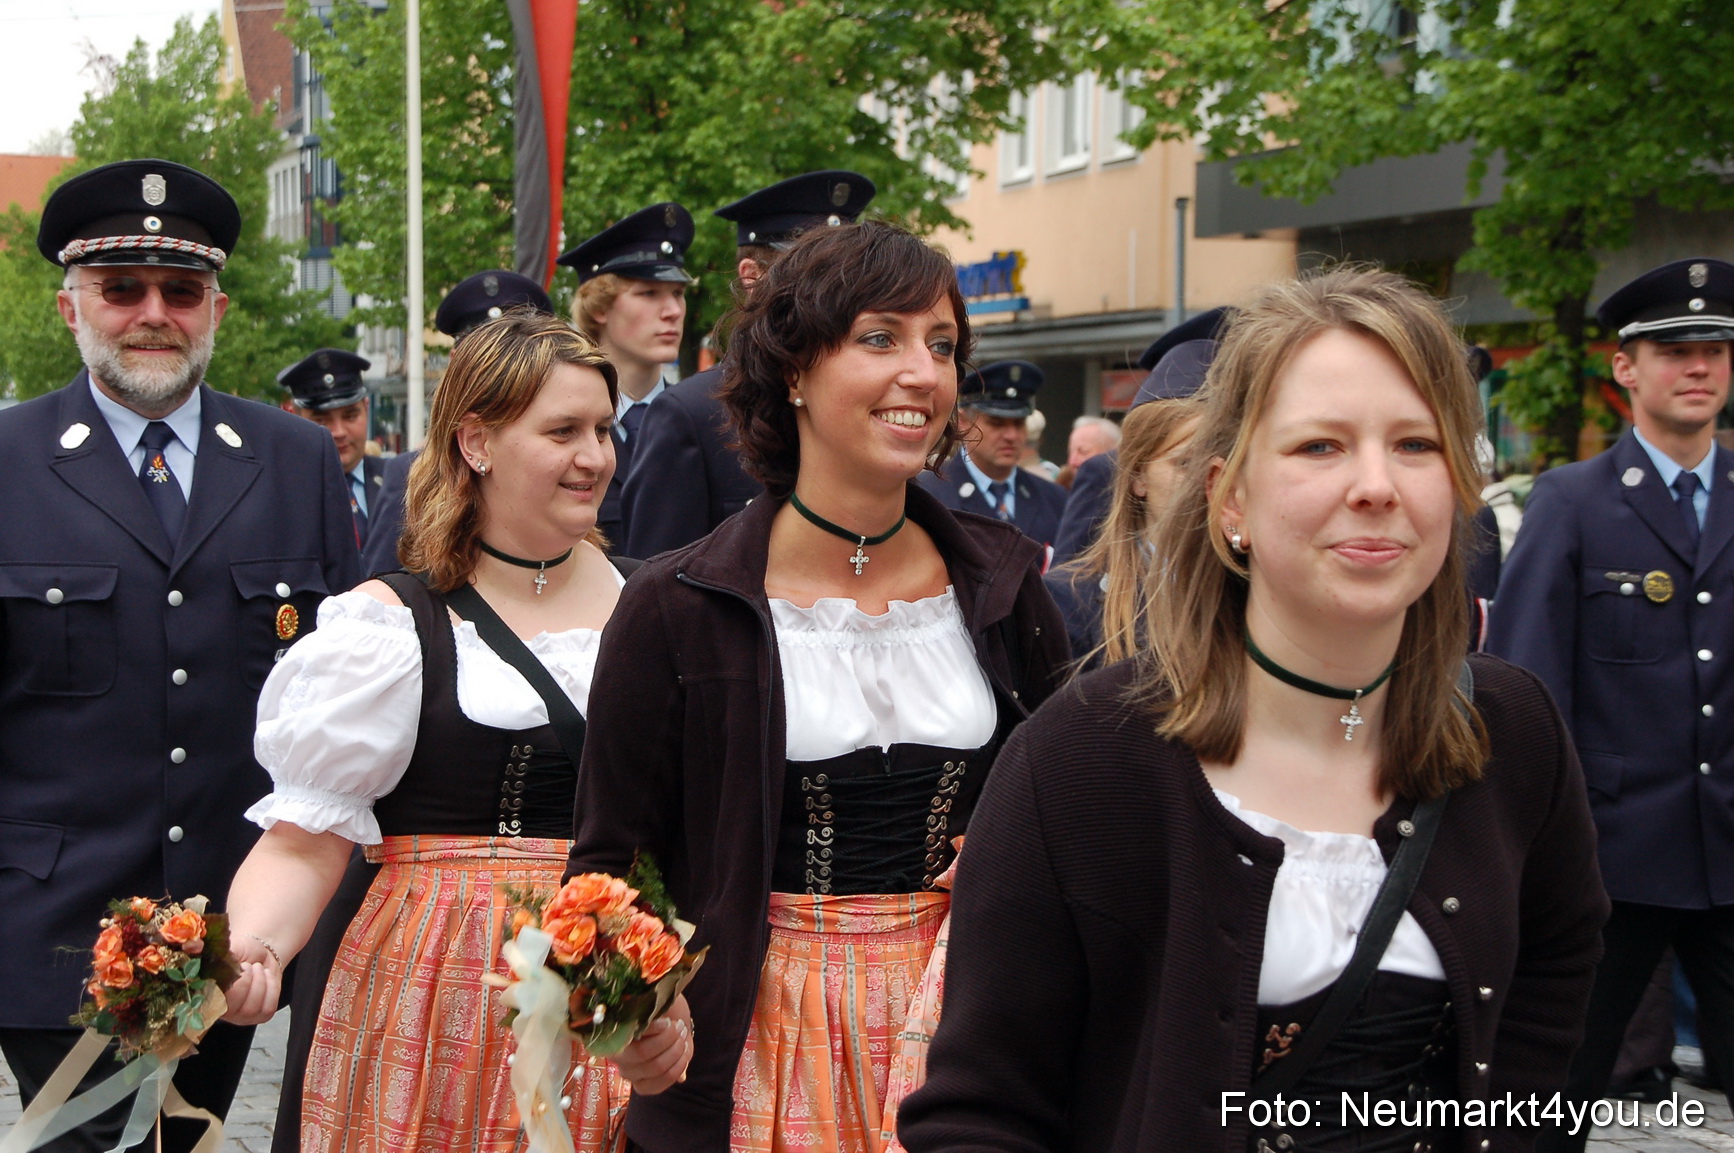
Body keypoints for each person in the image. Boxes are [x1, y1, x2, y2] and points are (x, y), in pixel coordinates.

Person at [897, 268, 1607, 1153]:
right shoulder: (1078, 762)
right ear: (1230, 496)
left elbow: (1551, 999)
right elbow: (981, 1114)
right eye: (1321, 446)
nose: (1377, 484)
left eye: (1418, 444)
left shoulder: (1515, 734)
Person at [568, 220, 1069, 1152]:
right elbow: (606, 865)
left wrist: (1007, 852)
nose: (922, 372)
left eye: (943, 345)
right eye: (881, 338)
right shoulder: (678, 604)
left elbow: (1077, 797)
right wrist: (632, 1022)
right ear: (793, 370)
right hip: (751, 1041)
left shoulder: (1002, 584)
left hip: (964, 1028)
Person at [0, 158, 361, 1153]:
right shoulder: (8, 462)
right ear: (71, 307)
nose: (153, 312)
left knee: (192, 1145)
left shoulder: (294, 464)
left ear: (218, 307)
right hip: (54, 927)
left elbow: (341, 697)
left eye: (181, 290)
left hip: (235, 922)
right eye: (122, 289)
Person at [220, 313, 632, 1152]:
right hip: (428, 994)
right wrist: (255, 945)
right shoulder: (391, 625)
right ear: (476, 440)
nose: (594, 455)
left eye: (602, 429)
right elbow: (305, 840)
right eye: (562, 430)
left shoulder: (653, 607)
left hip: (602, 994)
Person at [1486, 257, 1734, 1151]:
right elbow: (1523, 689)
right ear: (1626, 368)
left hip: (1729, 850)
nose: (1698, 366)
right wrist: (1529, 850)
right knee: (1556, 1090)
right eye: (1674, 350)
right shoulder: (1573, 501)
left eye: (1714, 349)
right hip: (1611, 858)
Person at [620, 170, 876, 559]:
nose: (838, 292)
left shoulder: (868, 399)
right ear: (752, 277)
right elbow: (657, 592)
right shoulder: (692, 415)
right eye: (813, 273)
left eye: (849, 275)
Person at [363, 269, 558, 577]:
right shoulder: (408, 475)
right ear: (456, 361)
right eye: (487, 358)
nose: (501, 373)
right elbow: (383, 593)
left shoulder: (581, 459)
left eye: (518, 357)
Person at [559, 203, 695, 549]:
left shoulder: (705, 421)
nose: (673, 311)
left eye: (678, 294)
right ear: (599, 306)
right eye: (649, 294)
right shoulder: (557, 425)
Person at [1052, 307, 1233, 565]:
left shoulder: (1261, 587)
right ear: (1137, 475)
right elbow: (1068, 569)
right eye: (1186, 463)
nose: (1211, 481)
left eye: (1232, 463)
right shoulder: (1077, 593)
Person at [1044, 398, 1201, 668]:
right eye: (1185, 463)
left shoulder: (1251, 586)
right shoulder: (1072, 596)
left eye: (1220, 461)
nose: (1206, 478)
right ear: (1139, 477)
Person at [915, 360, 1069, 553]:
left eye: (1019, 423)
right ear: (963, 422)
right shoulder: (926, 494)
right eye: (997, 423)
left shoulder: (1052, 497)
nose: (1011, 436)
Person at [279, 348, 385, 556]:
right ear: (294, 416)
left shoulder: (403, 483)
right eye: (321, 420)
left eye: (350, 416)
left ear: (366, 407)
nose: (338, 432)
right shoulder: (279, 492)